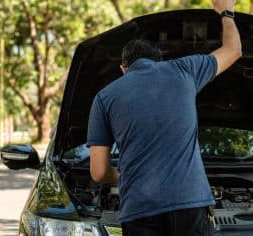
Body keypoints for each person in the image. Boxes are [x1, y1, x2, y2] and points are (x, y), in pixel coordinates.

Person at [86, 0, 242, 235]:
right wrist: (226, 13)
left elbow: (98, 172)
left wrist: (127, 175)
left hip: (139, 210)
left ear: (123, 68)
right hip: (189, 202)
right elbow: (234, 51)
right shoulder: (184, 70)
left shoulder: (104, 97)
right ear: (159, 60)